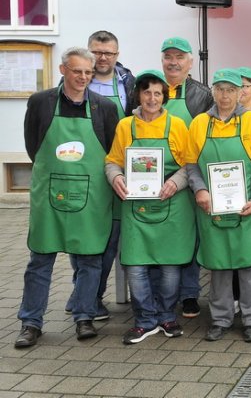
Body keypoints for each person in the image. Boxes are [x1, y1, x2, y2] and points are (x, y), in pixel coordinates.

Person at [15, 47, 119, 348]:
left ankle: (84, 316)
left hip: (91, 197)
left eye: (88, 72)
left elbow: (111, 152)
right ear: (63, 70)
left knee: (90, 259)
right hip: (50, 195)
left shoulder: (104, 108)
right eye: (77, 72)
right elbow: (33, 147)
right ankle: (31, 322)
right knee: (40, 260)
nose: (83, 77)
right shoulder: (40, 103)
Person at [104, 70, 195, 344]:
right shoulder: (126, 126)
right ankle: (144, 320)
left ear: (164, 97)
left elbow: (190, 165)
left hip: (172, 205)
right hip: (137, 207)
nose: (152, 98)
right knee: (135, 265)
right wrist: (116, 177)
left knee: (170, 267)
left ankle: (167, 316)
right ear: (138, 95)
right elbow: (112, 161)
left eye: (157, 93)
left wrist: (175, 183)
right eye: (147, 92)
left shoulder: (178, 125)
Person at [185, 69, 251, 342]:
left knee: (250, 265)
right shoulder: (199, 123)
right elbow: (191, 165)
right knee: (219, 265)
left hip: (247, 207)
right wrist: (200, 190)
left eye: (231, 90)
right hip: (212, 207)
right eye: (220, 89)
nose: (225, 95)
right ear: (213, 91)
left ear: (240, 93)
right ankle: (220, 319)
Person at [65, 30, 135, 320]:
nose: (102, 58)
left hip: (118, 170)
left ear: (117, 55)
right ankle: (86, 296)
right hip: (85, 174)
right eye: (97, 52)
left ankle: (89, 296)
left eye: (109, 53)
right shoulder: (73, 84)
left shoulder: (129, 84)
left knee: (110, 239)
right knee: (82, 238)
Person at [159, 37, 214, 319]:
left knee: (191, 236)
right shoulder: (150, 88)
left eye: (179, 57)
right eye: (168, 56)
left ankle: (190, 294)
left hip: (191, 176)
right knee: (161, 237)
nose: (173, 62)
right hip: (154, 178)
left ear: (190, 62)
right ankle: (162, 295)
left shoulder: (202, 94)